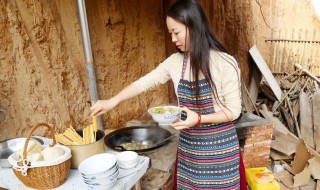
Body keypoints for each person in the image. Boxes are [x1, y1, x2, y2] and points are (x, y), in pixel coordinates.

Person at [90, 0, 246, 189]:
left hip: (219, 153)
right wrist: (113, 101)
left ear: (194, 26)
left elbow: (233, 111)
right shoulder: (175, 62)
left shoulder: (224, 63)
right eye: (170, 33)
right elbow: (144, 83)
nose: (173, 39)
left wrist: (198, 118)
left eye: (176, 32)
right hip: (190, 150)